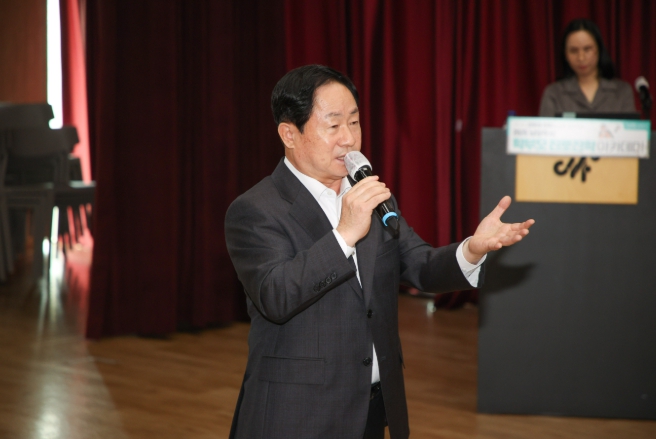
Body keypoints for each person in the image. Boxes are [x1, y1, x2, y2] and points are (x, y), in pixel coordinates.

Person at [224, 64, 534, 439]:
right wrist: (343, 235)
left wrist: (472, 249)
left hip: (371, 408)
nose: (349, 139)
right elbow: (276, 296)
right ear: (289, 134)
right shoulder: (256, 209)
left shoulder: (369, 196)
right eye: (333, 125)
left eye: (354, 122)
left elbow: (420, 265)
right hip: (298, 413)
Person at [539, 18, 637, 116]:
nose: (581, 58)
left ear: (599, 50)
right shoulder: (554, 93)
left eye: (587, 49)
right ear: (565, 55)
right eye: (573, 51)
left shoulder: (622, 91)